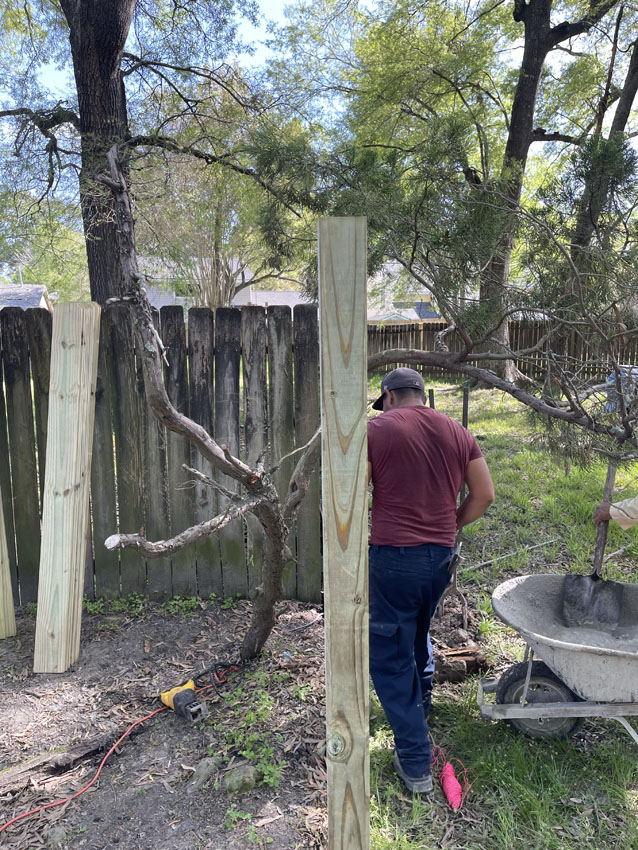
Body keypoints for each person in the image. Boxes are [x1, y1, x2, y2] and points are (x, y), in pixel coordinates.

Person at [367, 367, 494, 793]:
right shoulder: (458, 432)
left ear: (388, 396)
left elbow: (354, 490)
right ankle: (421, 706)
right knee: (418, 629)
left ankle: (416, 762)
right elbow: (484, 494)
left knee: (388, 656)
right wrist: (449, 525)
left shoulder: (377, 429)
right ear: (421, 395)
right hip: (440, 558)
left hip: (393, 558)